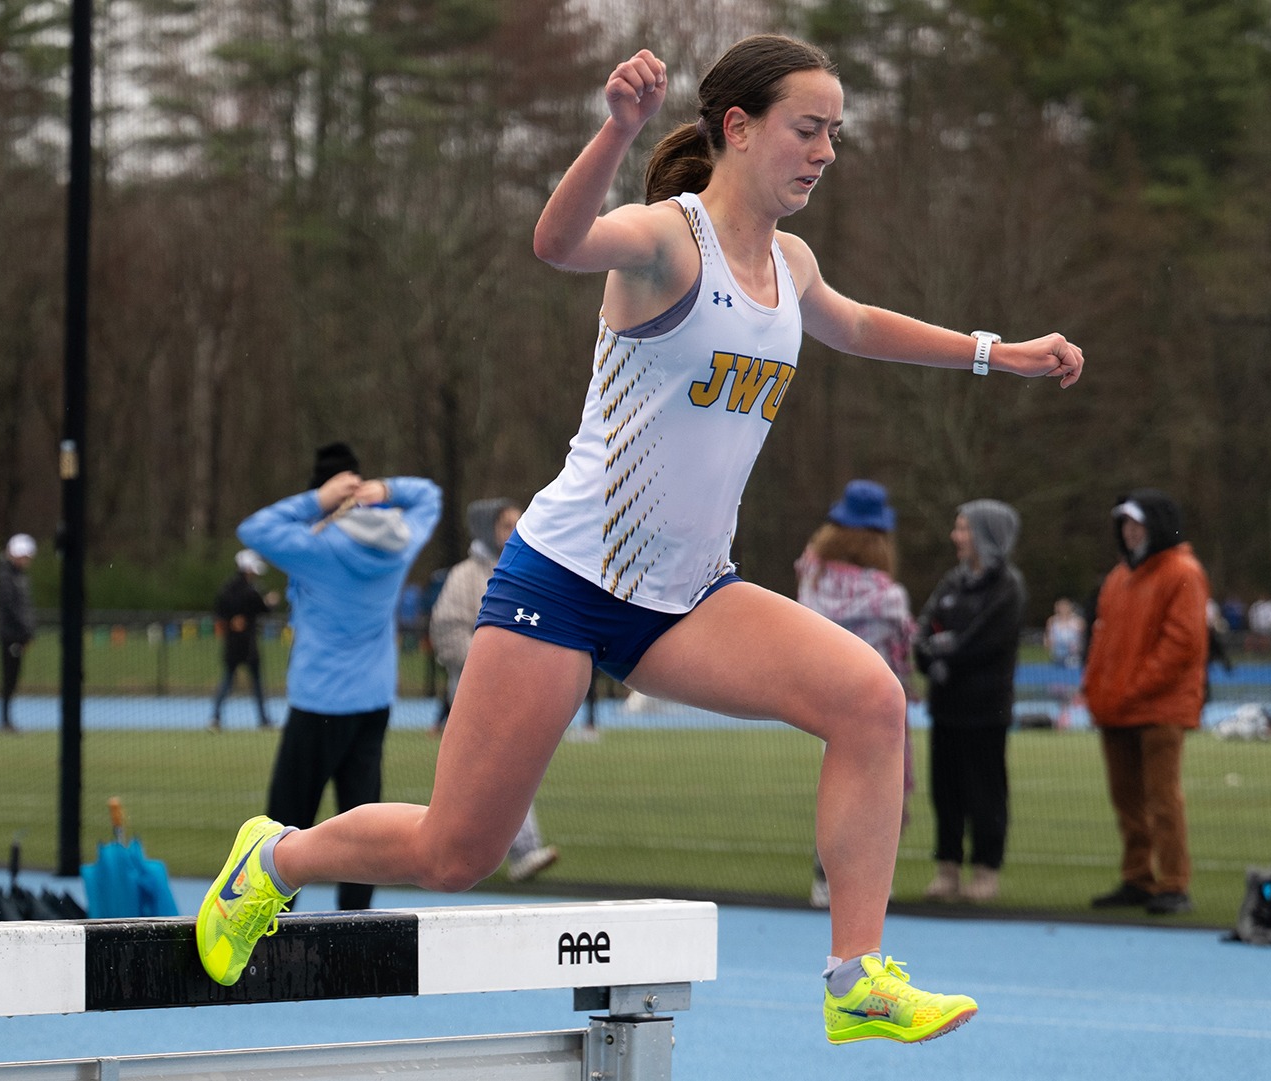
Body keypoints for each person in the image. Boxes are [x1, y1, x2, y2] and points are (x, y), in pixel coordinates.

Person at [193, 36, 1083, 1046]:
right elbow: (557, 244)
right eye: (808, 127)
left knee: (870, 700)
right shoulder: (670, 241)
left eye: (836, 131)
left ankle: (855, 976)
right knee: (457, 852)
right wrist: (614, 130)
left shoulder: (790, 263)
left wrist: (990, 353)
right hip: (563, 583)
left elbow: (856, 324)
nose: (827, 150)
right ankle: (273, 860)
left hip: (688, 597)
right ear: (736, 130)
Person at [239, 442, 442, 911]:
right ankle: (356, 922)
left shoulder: (318, 547)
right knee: (363, 818)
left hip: (319, 701)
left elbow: (254, 528)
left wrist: (318, 500)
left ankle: (273, 921)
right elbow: (429, 494)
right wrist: (386, 488)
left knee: (285, 820)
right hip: (372, 700)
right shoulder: (401, 541)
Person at [1082, 490, 1208, 917]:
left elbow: (1182, 644)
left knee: (1162, 798)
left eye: (1137, 523)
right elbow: (1102, 641)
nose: (1130, 531)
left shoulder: (1181, 571)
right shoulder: (1120, 577)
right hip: (1118, 707)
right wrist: (1095, 687)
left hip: (1159, 709)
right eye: (1125, 524)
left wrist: (1131, 687)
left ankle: (1174, 882)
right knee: (1127, 800)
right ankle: (1137, 876)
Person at [795, 480, 917, 910]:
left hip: (826, 701)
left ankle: (826, 877)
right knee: (880, 794)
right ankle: (864, 887)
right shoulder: (888, 596)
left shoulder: (813, 579)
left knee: (838, 787)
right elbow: (900, 658)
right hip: (875, 706)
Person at [428, 497, 560, 883]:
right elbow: (446, 631)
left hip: (518, 695)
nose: (513, 531)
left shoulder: (529, 571)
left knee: (494, 777)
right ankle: (520, 851)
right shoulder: (464, 577)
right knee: (497, 774)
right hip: (476, 697)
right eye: (505, 525)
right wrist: (488, 663)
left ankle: (478, 851)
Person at [914, 500, 1025, 904]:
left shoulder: (1007, 587)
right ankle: (947, 868)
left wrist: (946, 653)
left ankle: (985, 871)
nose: (955, 537)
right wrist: (933, 653)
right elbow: (924, 633)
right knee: (945, 791)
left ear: (985, 536)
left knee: (986, 792)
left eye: (963, 529)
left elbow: (983, 642)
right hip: (945, 708)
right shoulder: (951, 582)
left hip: (985, 710)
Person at [211, 549, 279, 731]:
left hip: (232, 644)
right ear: (248, 569)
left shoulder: (227, 589)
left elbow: (219, 612)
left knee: (228, 680)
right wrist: (271, 603)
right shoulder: (251, 591)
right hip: (248, 645)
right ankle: (263, 720)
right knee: (256, 684)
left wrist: (229, 622)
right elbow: (263, 609)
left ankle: (215, 718)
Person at [0, 533, 36, 733]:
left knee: (14, 677)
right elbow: (11, 607)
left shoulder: (19, 577)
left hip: (19, 635)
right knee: (9, 677)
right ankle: (4, 721)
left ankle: (7, 720)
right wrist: (25, 628)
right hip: (10, 635)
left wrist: (29, 631)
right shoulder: (7, 577)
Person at [1045, 598, 1086, 668]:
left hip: (1074, 656)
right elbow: (1048, 638)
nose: (1063, 609)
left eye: (1065, 606)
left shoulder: (1078, 621)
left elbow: (1084, 637)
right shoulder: (1052, 621)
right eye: (1061, 607)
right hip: (1057, 655)